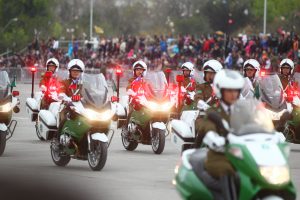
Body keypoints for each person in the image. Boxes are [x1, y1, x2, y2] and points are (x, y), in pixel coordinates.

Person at [195, 70, 244, 198]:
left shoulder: (243, 110)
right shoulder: (213, 111)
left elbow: (255, 124)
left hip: (241, 153)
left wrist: (273, 132)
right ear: (220, 91)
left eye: (236, 91)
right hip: (219, 155)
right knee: (227, 170)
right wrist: (213, 136)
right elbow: (208, 125)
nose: (233, 94)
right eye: (229, 91)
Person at [58, 59, 85, 132]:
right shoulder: (64, 82)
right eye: (73, 71)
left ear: (81, 72)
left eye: (78, 71)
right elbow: (61, 93)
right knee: (64, 115)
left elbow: (91, 93)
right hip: (68, 105)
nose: (75, 72)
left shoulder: (85, 83)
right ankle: (58, 136)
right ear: (69, 71)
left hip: (82, 106)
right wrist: (68, 98)